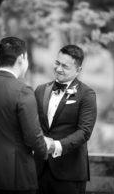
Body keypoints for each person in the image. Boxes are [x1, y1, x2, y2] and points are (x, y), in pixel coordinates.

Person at [0, 37, 48, 194]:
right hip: (16, 176)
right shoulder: (23, 91)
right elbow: (33, 136)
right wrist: (44, 149)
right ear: (22, 57)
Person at [34, 45, 97, 194]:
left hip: (70, 173)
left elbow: (84, 132)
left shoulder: (87, 94)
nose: (58, 68)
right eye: (57, 63)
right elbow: (33, 123)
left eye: (65, 66)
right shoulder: (40, 90)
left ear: (78, 70)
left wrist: (56, 146)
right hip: (39, 171)